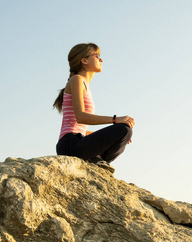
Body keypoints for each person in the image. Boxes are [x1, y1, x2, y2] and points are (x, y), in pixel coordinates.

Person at [53, 43, 134, 173]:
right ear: (84, 60)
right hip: (69, 144)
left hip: (78, 140)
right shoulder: (76, 80)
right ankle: (97, 160)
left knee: (124, 131)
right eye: (97, 56)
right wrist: (115, 120)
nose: (101, 59)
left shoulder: (83, 84)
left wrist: (114, 135)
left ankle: (96, 161)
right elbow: (80, 117)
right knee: (124, 129)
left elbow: (81, 129)